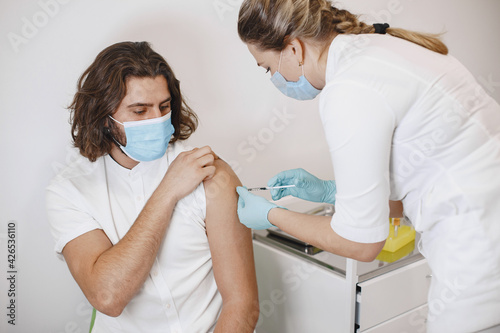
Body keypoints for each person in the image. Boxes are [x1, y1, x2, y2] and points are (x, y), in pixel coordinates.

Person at [235, 0, 500, 332]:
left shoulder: (350, 88)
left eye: (267, 67)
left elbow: (362, 243)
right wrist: (331, 192)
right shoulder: (382, 48)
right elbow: (410, 183)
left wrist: (270, 215)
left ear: (293, 48)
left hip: (480, 255)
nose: (273, 77)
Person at [45, 41, 259, 333]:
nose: (157, 120)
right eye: (139, 110)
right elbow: (107, 296)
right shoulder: (68, 191)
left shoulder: (210, 173)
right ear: (104, 118)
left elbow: (242, 305)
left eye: (164, 106)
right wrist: (168, 191)